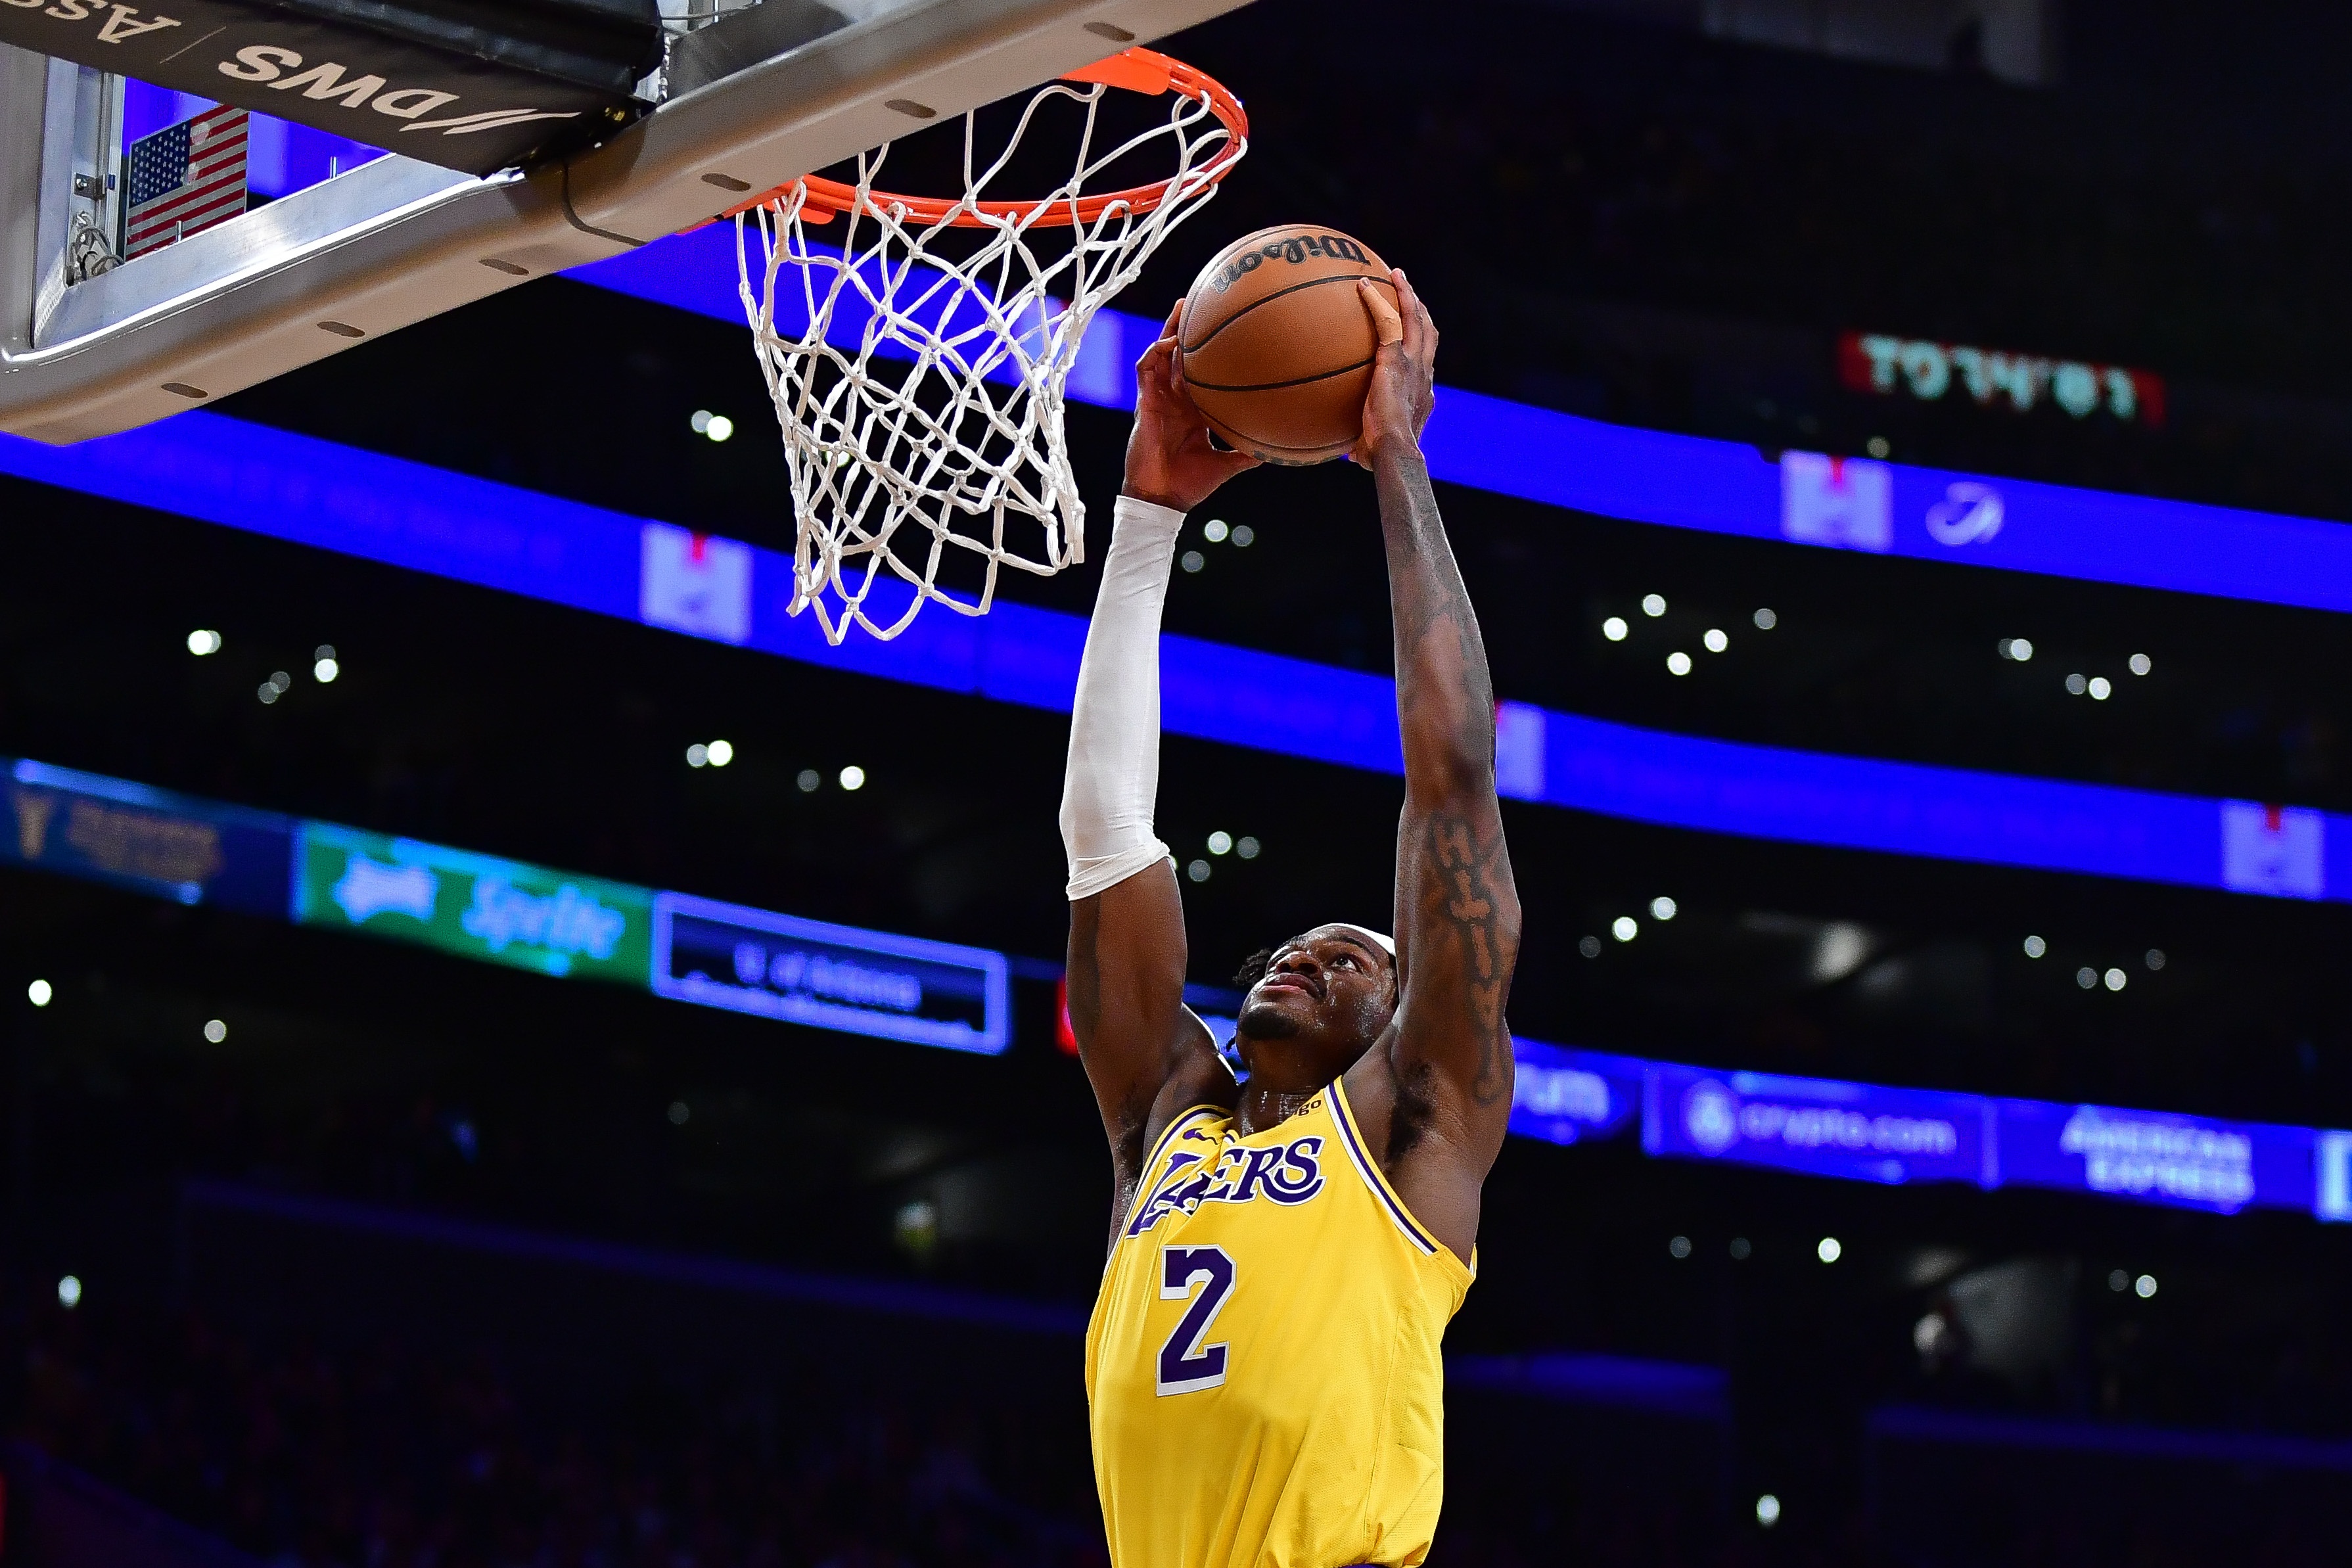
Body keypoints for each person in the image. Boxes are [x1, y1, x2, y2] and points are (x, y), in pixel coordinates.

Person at [1059, 269, 1522, 1568]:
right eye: (1290, 950)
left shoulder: (1415, 1119)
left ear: (1407, 1009)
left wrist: (1395, 458)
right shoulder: (1165, 1119)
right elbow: (1103, 836)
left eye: (1352, 956)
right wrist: (1146, 518)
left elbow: (1451, 781)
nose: (1304, 956)